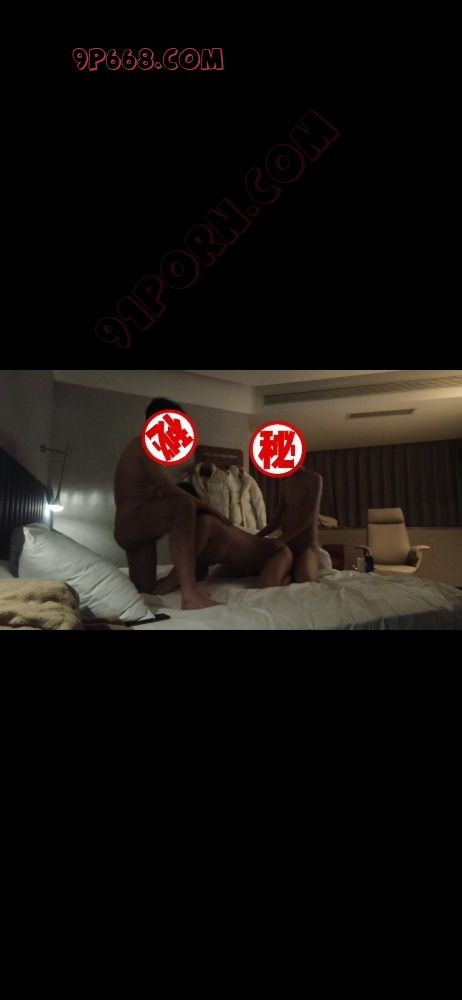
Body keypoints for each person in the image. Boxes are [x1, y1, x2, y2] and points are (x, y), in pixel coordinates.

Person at [114, 397, 231, 610]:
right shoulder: (142, 444)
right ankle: (190, 594)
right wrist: (213, 510)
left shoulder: (147, 450)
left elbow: (158, 490)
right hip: (133, 522)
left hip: (134, 530)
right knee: (184, 505)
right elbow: (169, 490)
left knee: (144, 590)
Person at [258, 467, 323, 583]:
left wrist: (282, 538)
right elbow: (277, 519)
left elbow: (310, 518)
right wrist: (257, 536)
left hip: (306, 545)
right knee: (267, 581)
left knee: (306, 580)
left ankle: (293, 575)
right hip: (288, 546)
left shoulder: (314, 479)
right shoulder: (286, 483)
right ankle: (291, 574)